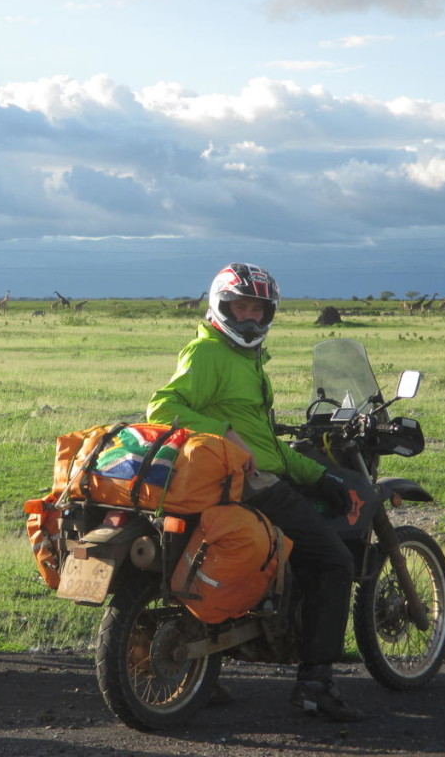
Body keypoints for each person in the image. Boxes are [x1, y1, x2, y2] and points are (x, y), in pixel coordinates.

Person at [146, 262, 366, 722]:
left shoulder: (247, 361)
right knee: (334, 561)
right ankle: (315, 682)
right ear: (220, 307)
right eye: (239, 307)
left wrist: (318, 474)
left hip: (247, 477)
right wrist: (224, 431)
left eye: (257, 310)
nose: (248, 318)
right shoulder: (208, 354)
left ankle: (214, 665)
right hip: (247, 485)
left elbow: (270, 451)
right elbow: (163, 407)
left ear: (268, 315)